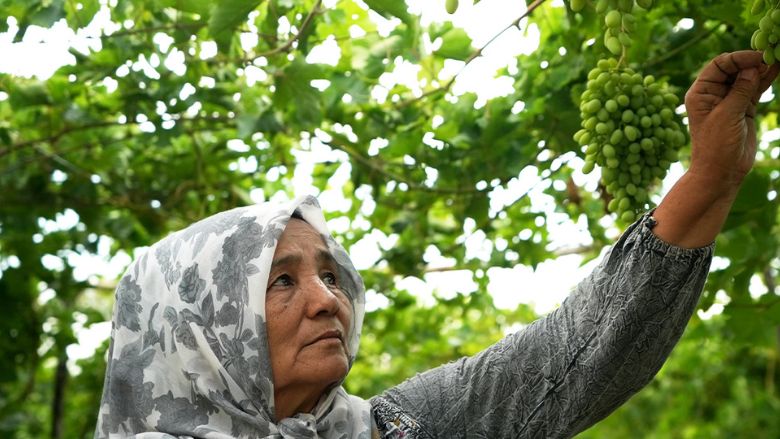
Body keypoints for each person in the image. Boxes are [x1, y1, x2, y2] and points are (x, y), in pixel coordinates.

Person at [94, 50, 779, 438]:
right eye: (282, 280)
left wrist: (711, 176)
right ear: (201, 333)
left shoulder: (396, 430)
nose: (326, 298)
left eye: (331, 275)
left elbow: (565, 358)